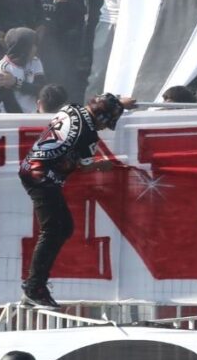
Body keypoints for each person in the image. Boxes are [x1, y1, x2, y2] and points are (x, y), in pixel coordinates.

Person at [19, 93, 137, 307]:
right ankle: (34, 286)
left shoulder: (70, 107)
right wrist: (102, 164)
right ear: (101, 118)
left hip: (32, 167)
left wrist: (118, 103)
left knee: (64, 228)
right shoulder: (89, 134)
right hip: (42, 176)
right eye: (106, 123)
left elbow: (104, 101)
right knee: (54, 229)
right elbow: (84, 164)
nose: (104, 128)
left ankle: (36, 284)